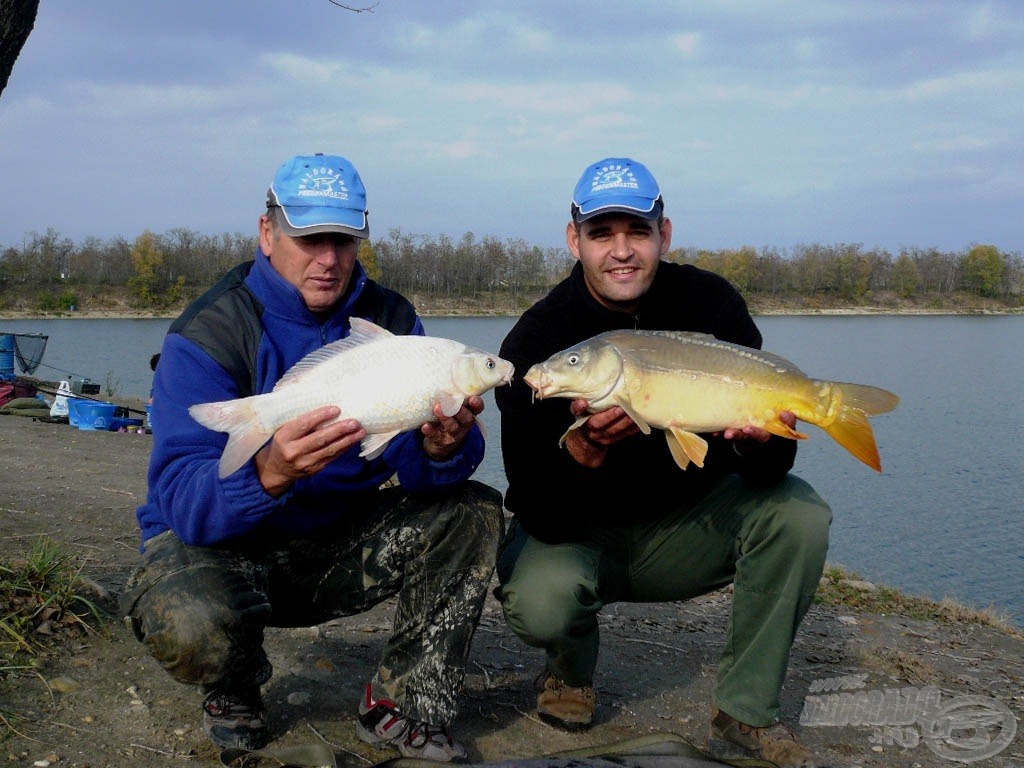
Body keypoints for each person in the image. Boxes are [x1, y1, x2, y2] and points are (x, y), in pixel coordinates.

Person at [120, 153, 503, 763]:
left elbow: (424, 467)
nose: (329, 258)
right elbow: (181, 502)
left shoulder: (392, 321)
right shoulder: (209, 333)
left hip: (334, 542)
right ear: (268, 232)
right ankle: (235, 683)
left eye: (344, 240)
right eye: (310, 238)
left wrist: (443, 446)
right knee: (189, 619)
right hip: (224, 548)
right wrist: (269, 473)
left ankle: (405, 705)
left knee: (474, 511)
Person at [493, 157, 832, 767]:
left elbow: (769, 467)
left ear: (663, 235)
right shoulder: (538, 342)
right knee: (542, 598)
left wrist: (759, 442)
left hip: (686, 532)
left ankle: (743, 714)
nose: (621, 252)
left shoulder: (712, 304)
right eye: (602, 235)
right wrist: (583, 450)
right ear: (575, 241)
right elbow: (533, 500)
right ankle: (569, 672)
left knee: (798, 515)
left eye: (637, 233)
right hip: (578, 537)